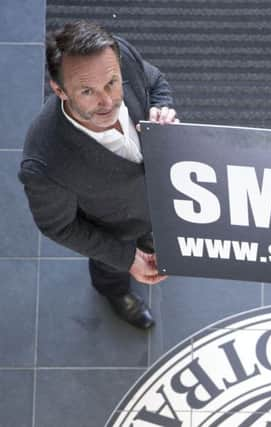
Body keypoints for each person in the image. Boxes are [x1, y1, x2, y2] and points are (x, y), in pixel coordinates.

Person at [19, 21, 179, 329]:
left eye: (112, 83)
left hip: (163, 204)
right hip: (117, 230)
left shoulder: (116, 56)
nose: (107, 102)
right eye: (87, 91)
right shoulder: (45, 164)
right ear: (59, 90)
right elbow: (60, 227)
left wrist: (161, 108)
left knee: (158, 243)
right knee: (110, 270)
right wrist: (126, 259)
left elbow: (155, 81)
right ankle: (116, 294)